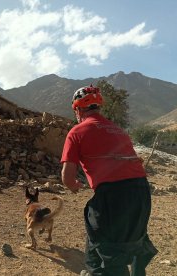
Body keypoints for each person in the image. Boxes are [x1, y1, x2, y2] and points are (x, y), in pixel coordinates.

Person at [60, 85, 158, 276]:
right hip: (141, 191)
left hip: (113, 195)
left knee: (105, 255)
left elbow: (67, 177)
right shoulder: (119, 130)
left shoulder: (77, 132)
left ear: (78, 109)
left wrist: (74, 186)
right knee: (133, 241)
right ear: (99, 107)